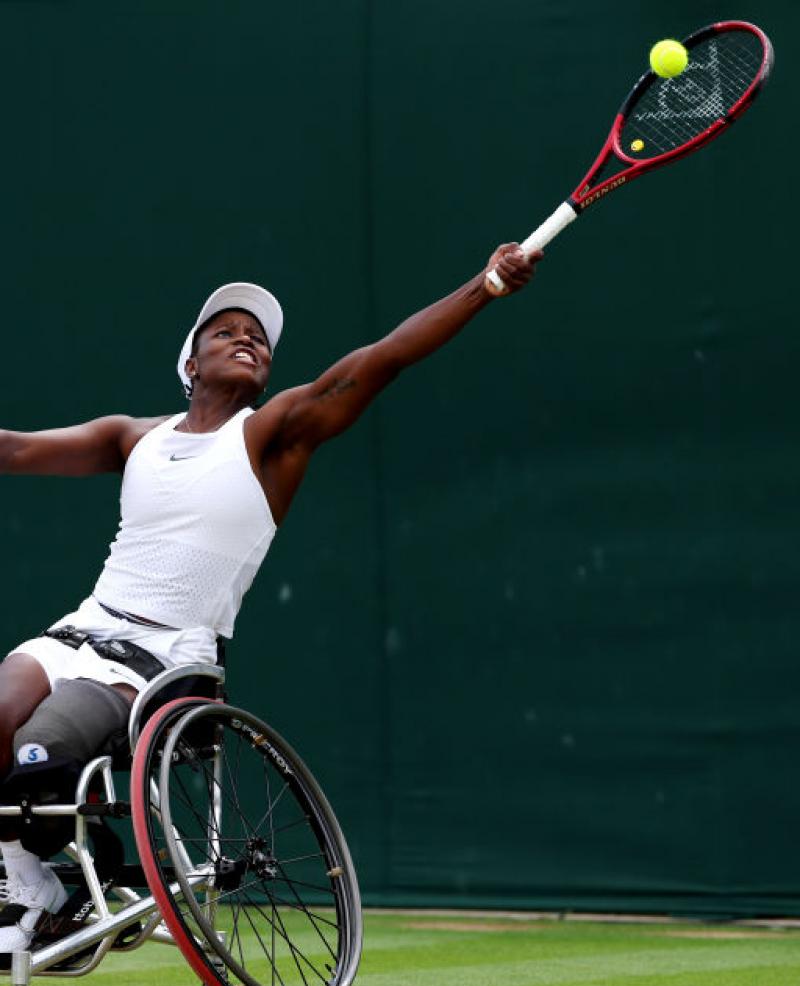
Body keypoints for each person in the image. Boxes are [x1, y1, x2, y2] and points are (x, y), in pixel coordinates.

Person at [0, 243, 541, 949]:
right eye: (224, 330)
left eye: (257, 336)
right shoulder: (134, 438)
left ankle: (61, 868)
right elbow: (12, 449)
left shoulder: (271, 436)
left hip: (157, 661)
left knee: (40, 749)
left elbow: (384, 358)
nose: (246, 337)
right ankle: (24, 873)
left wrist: (485, 286)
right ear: (190, 364)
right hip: (75, 633)